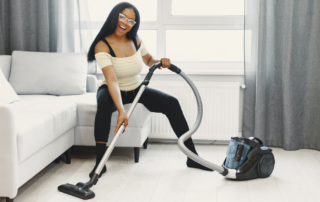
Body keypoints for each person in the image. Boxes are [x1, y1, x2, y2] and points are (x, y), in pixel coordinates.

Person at [87, 2, 212, 178]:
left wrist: (160, 61)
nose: (125, 22)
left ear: (134, 24)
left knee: (171, 103)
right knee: (104, 106)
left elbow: (148, 60)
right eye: (122, 16)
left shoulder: (136, 40)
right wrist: (122, 110)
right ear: (114, 15)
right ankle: (100, 163)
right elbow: (112, 80)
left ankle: (192, 157)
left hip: (136, 88)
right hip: (111, 89)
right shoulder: (102, 45)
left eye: (131, 20)